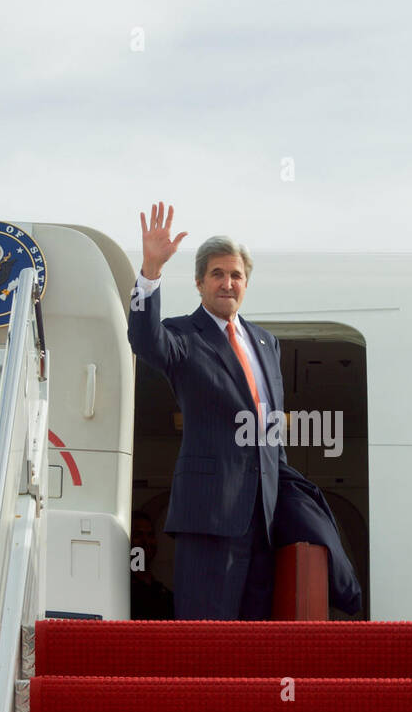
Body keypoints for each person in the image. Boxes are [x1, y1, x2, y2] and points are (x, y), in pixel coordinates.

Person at [127, 202, 360, 620]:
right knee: (206, 637)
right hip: (209, 515)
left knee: (256, 640)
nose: (227, 283)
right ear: (199, 282)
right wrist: (150, 271)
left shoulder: (267, 343)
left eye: (236, 275)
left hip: (264, 519)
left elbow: (270, 433)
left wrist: (289, 496)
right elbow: (145, 341)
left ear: (246, 283)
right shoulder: (182, 334)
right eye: (217, 273)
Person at [129, 511, 175, 619]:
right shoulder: (123, 588)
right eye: (138, 535)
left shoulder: (163, 592)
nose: (146, 541)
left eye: (150, 535)